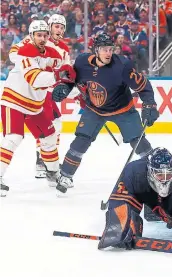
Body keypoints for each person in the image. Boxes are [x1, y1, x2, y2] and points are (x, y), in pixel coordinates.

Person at [52, 33, 159, 195]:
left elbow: (142, 85)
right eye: (104, 49)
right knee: (81, 140)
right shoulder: (82, 62)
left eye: (110, 49)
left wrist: (149, 104)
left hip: (123, 110)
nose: (108, 53)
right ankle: (65, 175)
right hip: (95, 110)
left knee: (138, 142)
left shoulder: (122, 65)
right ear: (96, 50)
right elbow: (72, 79)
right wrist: (65, 88)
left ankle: (156, 174)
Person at [0, 20, 75, 196]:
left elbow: (65, 77)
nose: (42, 38)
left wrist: (77, 92)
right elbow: (35, 78)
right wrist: (58, 74)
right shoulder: (25, 52)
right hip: (14, 101)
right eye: (38, 35)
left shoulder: (54, 54)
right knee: (13, 138)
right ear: (31, 36)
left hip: (35, 106)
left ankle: (53, 172)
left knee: (49, 137)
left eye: (44, 35)